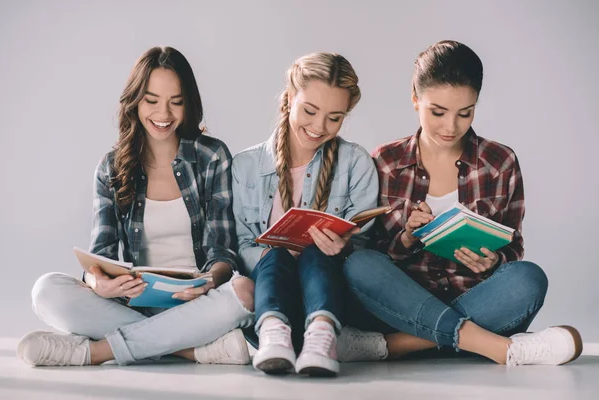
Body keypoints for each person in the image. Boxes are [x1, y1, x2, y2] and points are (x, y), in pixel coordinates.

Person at [340, 40, 582, 366]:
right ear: (415, 98)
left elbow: (514, 247)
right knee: (359, 265)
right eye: (437, 112)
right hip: (402, 304)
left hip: (477, 300)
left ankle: (395, 346)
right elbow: (369, 252)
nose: (450, 127)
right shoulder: (385, 161)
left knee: (528, 279)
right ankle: (496, 347)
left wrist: (493, 262)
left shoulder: (500, 161)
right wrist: (408, 238)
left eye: (464, 113)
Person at [17, 46, 255, 367]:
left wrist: (211, 281)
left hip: (198, 303)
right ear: (135, 101)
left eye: (176, 102)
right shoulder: (111, 167)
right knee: (46, 289)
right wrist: (98, 283)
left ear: (189, 104)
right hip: (134, 304)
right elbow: (99, 254)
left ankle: (95, 352)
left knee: (244, 290)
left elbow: (223, 251)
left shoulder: (211, 156)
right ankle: (190, 349)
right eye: (152, 100)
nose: (164, 114)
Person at [232, 52, 378, 376]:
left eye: (334, 117)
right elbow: (241, 245)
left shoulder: (356, 163)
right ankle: (271, 334)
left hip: (333, 297)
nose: (318, 127)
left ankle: (322, 337)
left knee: (314, 253)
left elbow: (367, 247)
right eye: (309, 111)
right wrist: (279, 253)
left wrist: (343, 247)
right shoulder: (245, 166)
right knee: (275, 255)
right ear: (288, 100)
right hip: (270, 291)